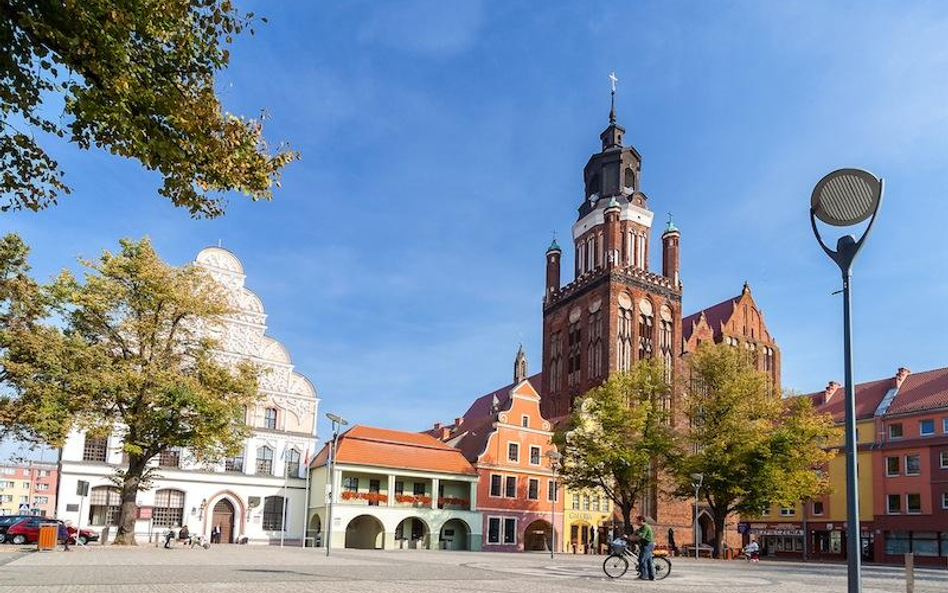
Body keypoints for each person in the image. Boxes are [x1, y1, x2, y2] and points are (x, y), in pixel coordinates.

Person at [633, 515, 655, 581]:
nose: (636, 522)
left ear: (641, 521)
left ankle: (643, 576)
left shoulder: (645, 527)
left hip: (647, 545)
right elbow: (635, 533)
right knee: (649, 561)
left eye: (637, 521)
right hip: (645, 545)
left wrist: (634, 537)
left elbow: (642, 536)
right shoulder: (641, 527)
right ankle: (651, 576)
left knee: (642, 559)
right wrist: (628, 537)